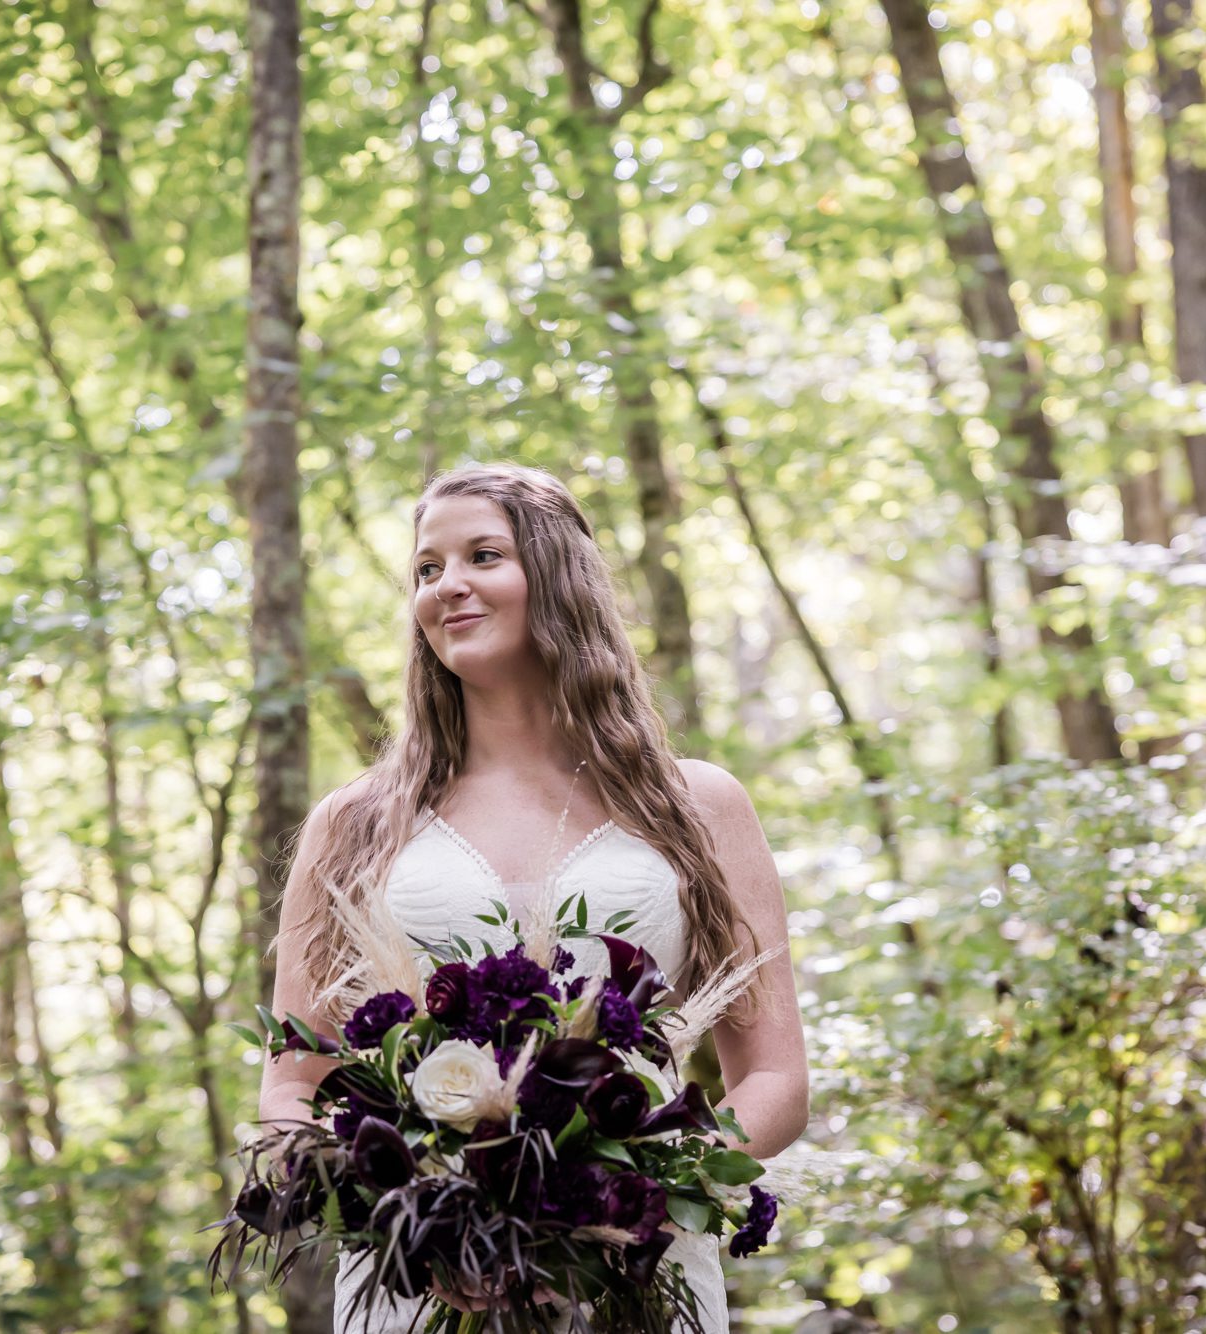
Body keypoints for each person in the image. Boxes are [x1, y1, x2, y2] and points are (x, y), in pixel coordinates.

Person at [258, 462, 809, 1331]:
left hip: (640, 1265)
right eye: (427, 570)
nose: (449, 587)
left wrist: (637, 1197)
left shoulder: (696, 804)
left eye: (483, 555)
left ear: (557, 577)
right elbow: (291, 1086)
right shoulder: (355, 820)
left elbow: (775, 1074)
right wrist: (415, 1212)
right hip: (421, 1275)